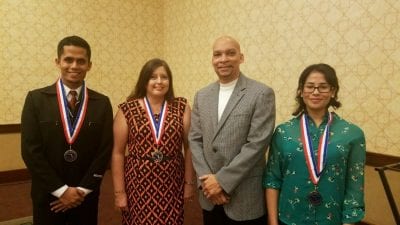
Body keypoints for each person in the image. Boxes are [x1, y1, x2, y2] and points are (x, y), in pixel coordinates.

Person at [21, 35, 113, 225]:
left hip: (85, 196)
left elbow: (103, 152)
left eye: (81, 61)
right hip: (49, 196)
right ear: (58, 62)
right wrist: (61, 190)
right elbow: (31, 152)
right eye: (68, 60)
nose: (74, 66)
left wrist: (81, 191)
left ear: (89, 65)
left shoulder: (102, 103)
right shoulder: (36, 100)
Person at [263, 63, 366, 225]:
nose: (316, 92)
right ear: (301, 91)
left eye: (323, 87)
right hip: (289, 218)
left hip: (332, 219)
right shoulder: (283, 132)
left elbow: (355, 186)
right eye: (310, 86)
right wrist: (273, 222)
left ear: (333, 91)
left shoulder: (352, 133)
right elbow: (272, 180)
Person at [189, 35, 276, 224]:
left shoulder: (261, 93)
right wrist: (207, 184)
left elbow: (257, 144)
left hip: (244, 198)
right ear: (212, 60)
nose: (223, 59)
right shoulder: (202, 95)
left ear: (241, 57)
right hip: (209, 197)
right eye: (217, 54)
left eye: (230, 53)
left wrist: (221, 182)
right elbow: (195, 140)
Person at [111, 58, 195, 225]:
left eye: (164, 77)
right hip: (137, 182)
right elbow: (118, 153)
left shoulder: (181, 106)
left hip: (172, 181)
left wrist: (189, 183)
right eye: (153, 77)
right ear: (144, 81)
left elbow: (189, 147)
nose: (159, 81)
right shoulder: (127, 109)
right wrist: (119, 193)